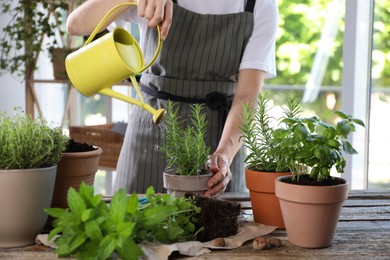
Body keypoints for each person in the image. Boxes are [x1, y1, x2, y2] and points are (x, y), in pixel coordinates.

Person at [67, 0, 278, 197]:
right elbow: (77, 24)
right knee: (131, 226)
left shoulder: (260, 4)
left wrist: (224, 154)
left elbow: (247, 94)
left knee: (216, 233)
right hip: (150, 133)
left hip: (219, 142)